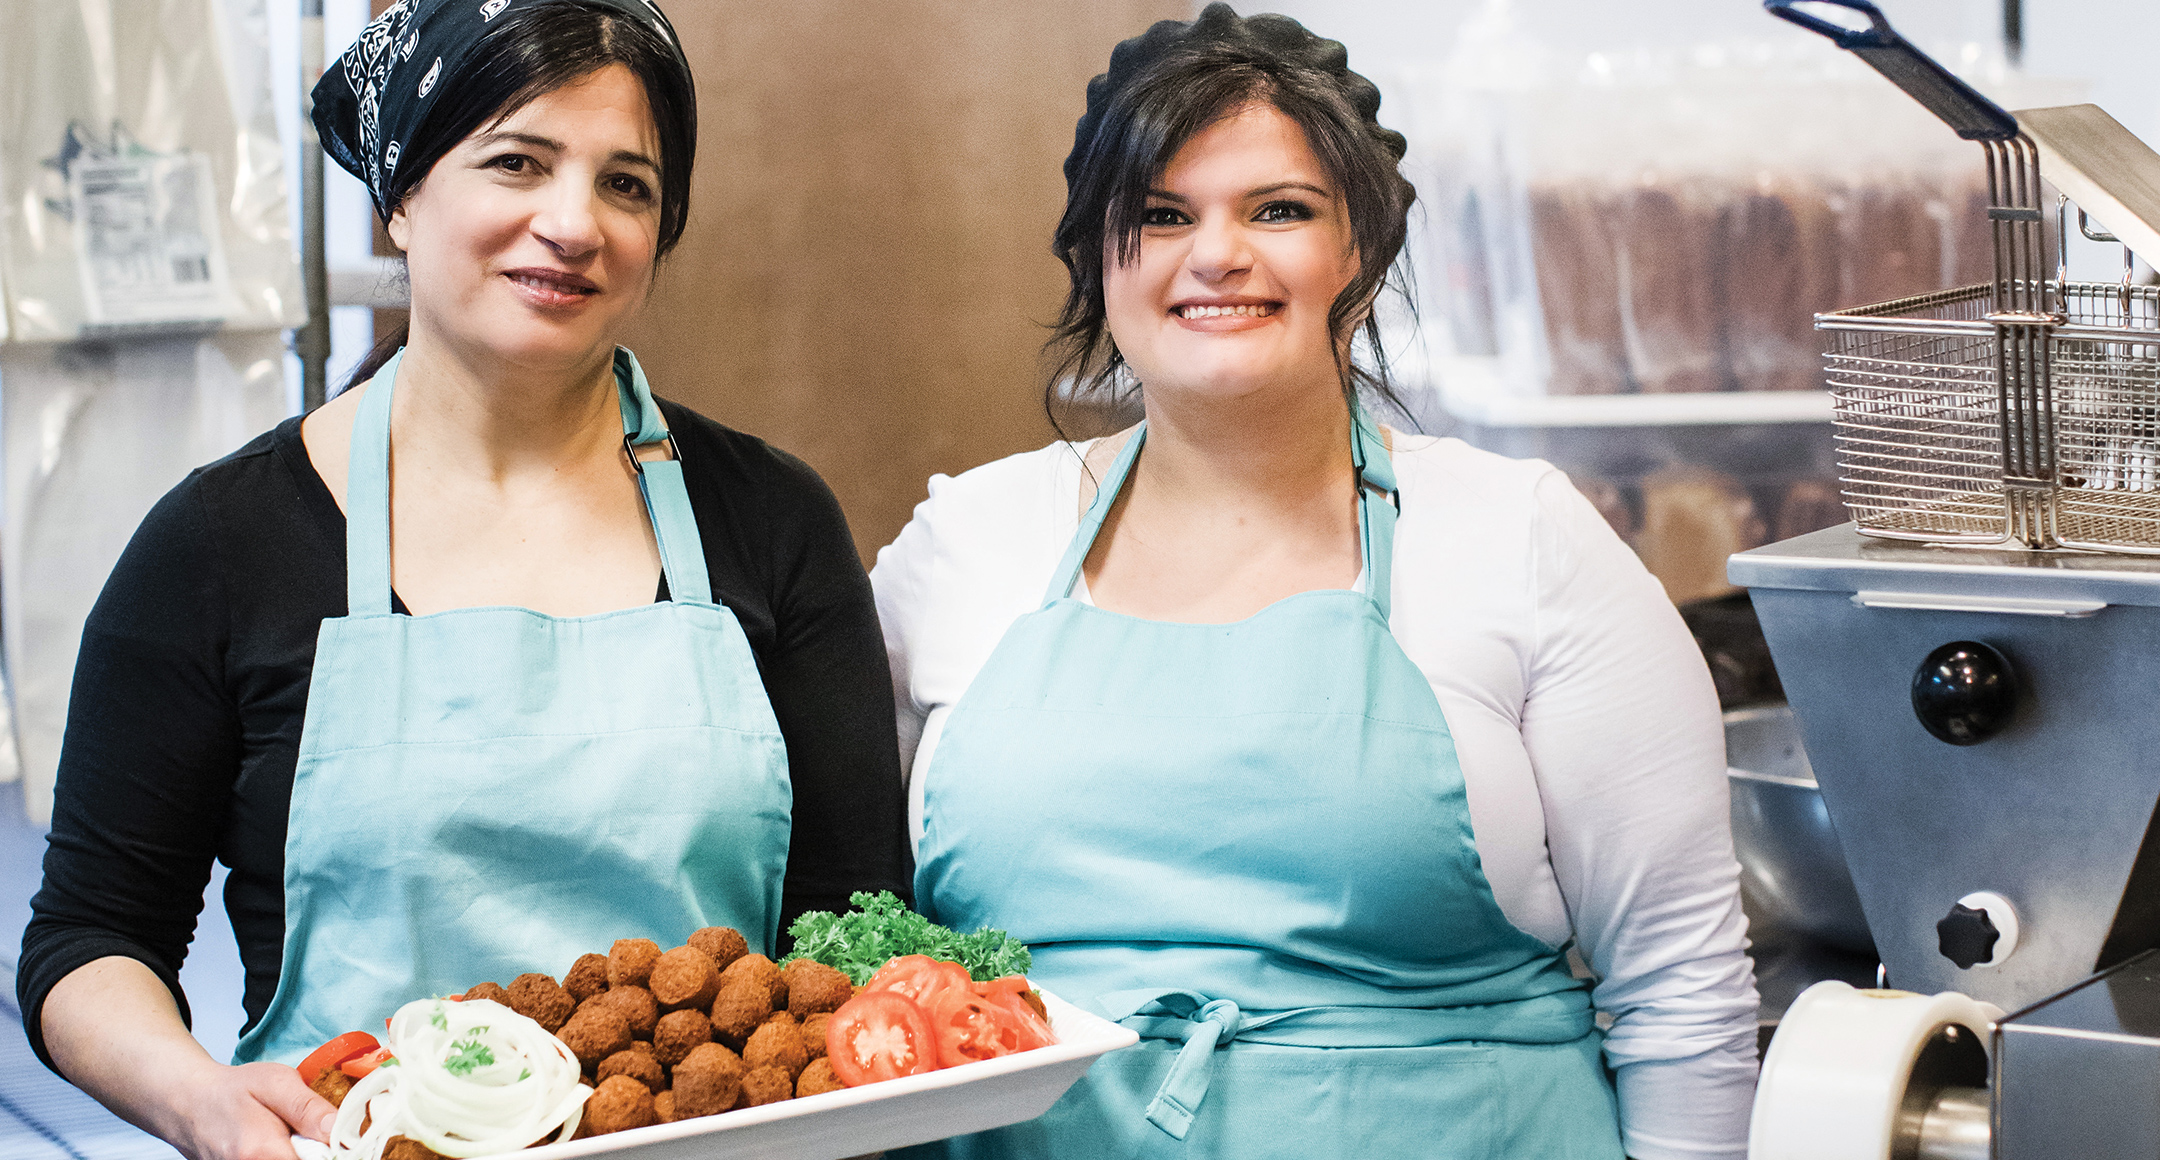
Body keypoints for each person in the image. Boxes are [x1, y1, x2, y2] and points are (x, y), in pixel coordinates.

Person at [18, 2, 909, 1157]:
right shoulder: (219, 542)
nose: (572, 222)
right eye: (516, 163)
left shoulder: (771, 517)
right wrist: (199, 1100)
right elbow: (91, 939)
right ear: (400, 194)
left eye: (627, 185)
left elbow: (853, 923)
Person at [872, 6, 1758, 1158]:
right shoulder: (968, 540)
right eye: (1161, 215)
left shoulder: (1522, 539)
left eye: (1278, 209)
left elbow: (1681, 992)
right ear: (1100, 257)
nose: (1217, 254)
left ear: (1363, 251)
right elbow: (844, 929)